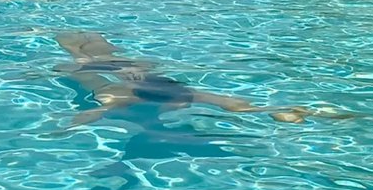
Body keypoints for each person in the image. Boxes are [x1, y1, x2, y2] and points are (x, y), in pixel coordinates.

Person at [53, 31, 325, 125]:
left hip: (120, 73)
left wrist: (274, 110)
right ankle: (90, 55)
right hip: (111, 74)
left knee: (88, 59)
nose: (183, 107)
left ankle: (90, 55)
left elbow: (231, 102)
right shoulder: (120, 96)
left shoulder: (176, 92)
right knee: (86, 62)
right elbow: (94, 113)